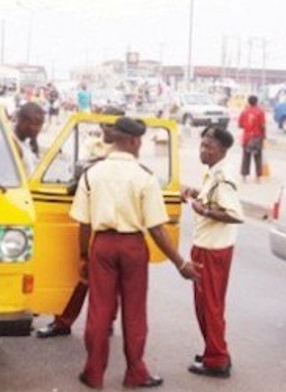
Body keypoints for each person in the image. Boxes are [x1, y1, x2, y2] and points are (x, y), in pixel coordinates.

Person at [70, 117, 198, 389]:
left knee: (99, 311)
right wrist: (180, 263)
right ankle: (136, 373)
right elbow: (157, 229)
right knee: (134, 312)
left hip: (102, 246)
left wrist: (83, 256)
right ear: (133, 141)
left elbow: (84, 223)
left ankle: (93, 373)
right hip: (132, 248)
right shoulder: (144, 177)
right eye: (140, 141)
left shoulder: (92, 174)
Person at [35, 106, 125, 339]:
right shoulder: (90, 145)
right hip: (87, 212)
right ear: (100, 125)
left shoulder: (124, 149)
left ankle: (106, 322)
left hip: (112, 218)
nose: (109, 129)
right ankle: (62, 321)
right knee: (77, 274)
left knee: (110, 279)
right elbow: (80, 169)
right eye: (106, 124)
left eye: (114, 125)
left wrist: (99, 164)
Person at [180, 125, 243, 379]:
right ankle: (213, 350)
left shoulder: (222, 179)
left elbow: (235, 214)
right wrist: (198, 195)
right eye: (202, 145)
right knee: (205, 304)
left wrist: (203, 211)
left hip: (212, 250)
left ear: (222, 150)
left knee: (210, 306)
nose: (203, 150)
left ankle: (216, 360)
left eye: (209, 147)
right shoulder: (213, 174)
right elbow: (213, 199)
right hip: (207, 245)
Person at [237, 95, 266, 183]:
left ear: (248, 102)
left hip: (247, 138)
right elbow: (263, 125)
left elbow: (240, 125)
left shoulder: (244, 112)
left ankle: (244, 177)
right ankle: (258, 178)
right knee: (258, 157)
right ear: (256, 102)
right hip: (257, 137)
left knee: (246, 157)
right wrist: (264, 136)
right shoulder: (260, 112)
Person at [12, 102, 45, 175]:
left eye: (41, 124)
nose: (38, 128)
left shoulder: (30, 141)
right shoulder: (10, 144)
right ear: (21, 120)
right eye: (36, 123)